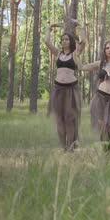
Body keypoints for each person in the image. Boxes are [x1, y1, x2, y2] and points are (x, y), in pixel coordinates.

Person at [44, 20, 85, 152]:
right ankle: (63, 148)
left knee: (69, 118)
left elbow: (83, 42)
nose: (64, 41)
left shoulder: (75, 54)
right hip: (58, 89)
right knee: (59, 119)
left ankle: (71, 147)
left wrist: (82, 27)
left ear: (71, 42)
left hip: (71, 90)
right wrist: (49, 28)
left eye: (67, 39)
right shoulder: (58, 53)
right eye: (62, 40)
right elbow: (46, 41)